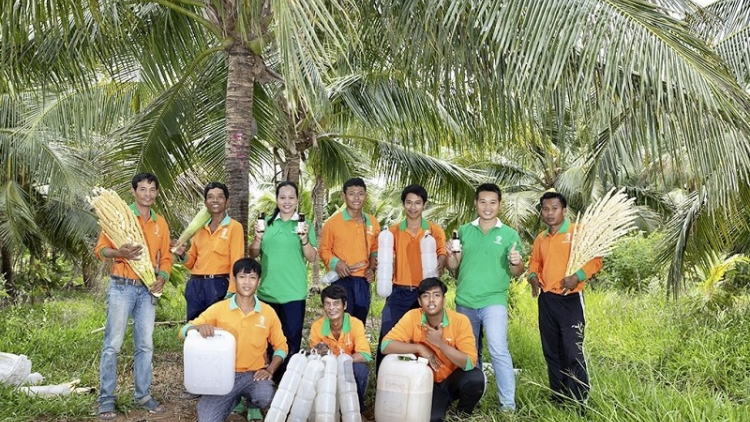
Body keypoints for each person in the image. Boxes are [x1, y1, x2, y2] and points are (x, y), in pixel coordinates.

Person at [94, 172, 173, 420]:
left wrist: (162, 277)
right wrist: (120, 252)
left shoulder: (160, 223)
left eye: (152, 189)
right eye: (142, 189)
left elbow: (167, 258)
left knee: (145, 345)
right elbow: (100, 250)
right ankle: (106, 400)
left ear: (156, 193)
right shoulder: (119, 216)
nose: (147, 193)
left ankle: (143, 395)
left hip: (147, 288)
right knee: (112, 345)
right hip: (121, 287)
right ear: (134, 191)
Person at [179, 258, 288, 422]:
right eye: (242, 277)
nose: (247, 282)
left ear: (258, 281)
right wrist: (198, 328)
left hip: (253, 375)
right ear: (234, 279)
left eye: (252, 278)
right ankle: (233, 399)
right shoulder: (219, 308)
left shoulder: (268, 312)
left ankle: (252, 404)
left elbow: (281, 346)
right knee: (207, 419)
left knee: (266, 396)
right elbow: (183, 331)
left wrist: (270, 370)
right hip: (222, 375)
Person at [446, 183, 524, 412]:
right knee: (470, 353)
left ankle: (508, 406)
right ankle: (472, 399)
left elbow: (517, 271)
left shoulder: (509, 234)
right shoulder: (464, 231)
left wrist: (516, 261)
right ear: (475, 203)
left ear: (499, 204)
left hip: (494, 301)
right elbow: (453, 267)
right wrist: (451, 254)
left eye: (492, 202)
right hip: (465, 301)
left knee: (499, 349)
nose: (487, 207)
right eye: (483, 202)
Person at [527, 191, 602, 404]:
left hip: (571, 299)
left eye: (555, 208)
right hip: (547, 300)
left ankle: (579, 401)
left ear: (564, 210)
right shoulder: (540, 239)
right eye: (545, 209)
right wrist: (533, 277)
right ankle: (558, 396)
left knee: (572, 350)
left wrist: (576, 276)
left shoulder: (577, 232)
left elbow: (596, 260)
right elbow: (535, 263)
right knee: (552, 350)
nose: (550, 213)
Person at [381, 278, 484, 422]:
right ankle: (440, 404)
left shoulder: (460, 321)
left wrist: (440, 343)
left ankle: (462, 414)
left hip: (451, 379)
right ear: (419, 301)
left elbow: (468, 363)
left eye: (436, 295)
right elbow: (386, 346)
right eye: (425, 296)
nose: (431, 300)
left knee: (475, 378)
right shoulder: (412, 317)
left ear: (444, 299)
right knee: (432, 418)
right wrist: (419, 347)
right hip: (424, 382)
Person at [249, 180, 317, 380]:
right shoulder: (266, 224)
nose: (287, 201)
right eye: (282, 197)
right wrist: (258, 237)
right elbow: (252, 254)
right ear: (276, 199)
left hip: (293, 294)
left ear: (297, 200)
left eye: (291, 197)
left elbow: (312, 257)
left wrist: (304, 238)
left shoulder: (304, 225)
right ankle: (265, 382)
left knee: (291, 340)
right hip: (267, 293)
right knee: (266, 341)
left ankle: (287, 383)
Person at [376, 184, 447, 370]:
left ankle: (427, 381)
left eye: (417, 203)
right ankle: (384, 378)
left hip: (426, 293)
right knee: (388, 335)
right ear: (403, 204)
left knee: (427, 336)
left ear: (424, 205)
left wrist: (441, 260)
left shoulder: (434, 231)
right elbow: (381, 257)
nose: (413, 207)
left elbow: (442, 254)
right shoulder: (392, 232)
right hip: (399, 291)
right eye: (409, 203)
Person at [173, 181, 245, 322]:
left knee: (217, 330)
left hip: (219, 285)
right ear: (205, 203)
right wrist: (182, 254)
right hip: (195, 285)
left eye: (220, 197)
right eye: (210, 197)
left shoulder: (234, 227)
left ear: (227, 201)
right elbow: (192, 262)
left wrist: (232, 291)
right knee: (194, 328)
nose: (215, 200)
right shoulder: (199, 229)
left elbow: (237, 261)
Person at [319, 177, 380, 325]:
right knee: (340, 321)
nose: (356, 198)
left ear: (366, 196)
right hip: (341, 279)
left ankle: (356, 348)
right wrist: (336, 263)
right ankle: (338, 348)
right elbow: (324, 250)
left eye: (360, 193)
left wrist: (371, 269)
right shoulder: (332, 223)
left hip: (362, 281)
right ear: (343, 196)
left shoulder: (372, 222)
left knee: (359, 322)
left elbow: (375, 250)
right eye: (351, 193)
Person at [310, 285, 371, 413]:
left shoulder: (355, 324)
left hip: (348, 367)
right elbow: (313, 357)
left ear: (345, 305)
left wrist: (341, 360)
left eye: (336, 303)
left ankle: (357, 409)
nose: (331, 308)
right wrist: (318, 353)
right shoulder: (317, 327)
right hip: (327, 370)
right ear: (323, 306)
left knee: (360, 369)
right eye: (327, 304)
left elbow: (365, 355)